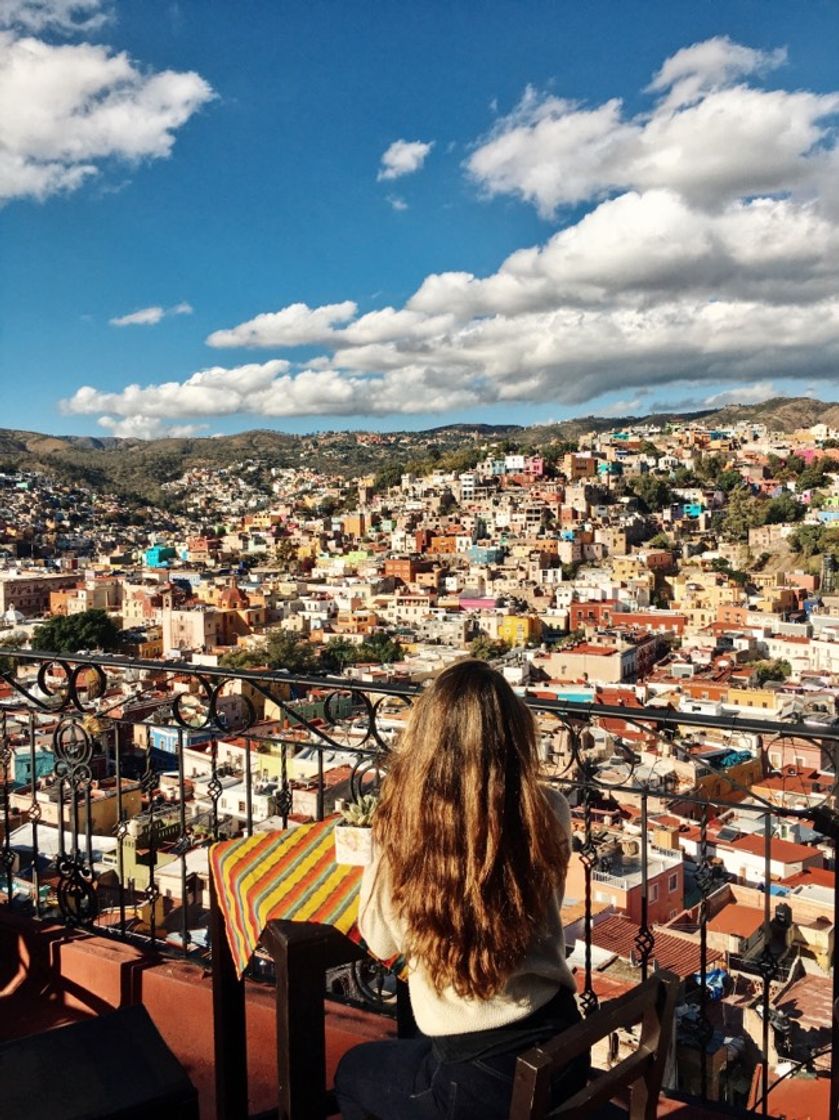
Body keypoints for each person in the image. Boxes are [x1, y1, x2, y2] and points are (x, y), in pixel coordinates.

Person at [335, 659, 589, 1120]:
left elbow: (380, 940)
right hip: (563, 1046)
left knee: (351, 1076)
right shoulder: (549, 812)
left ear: (426, 738)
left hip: (477, 1083)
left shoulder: (408, 829)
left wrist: (385, 835)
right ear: (515, 735)